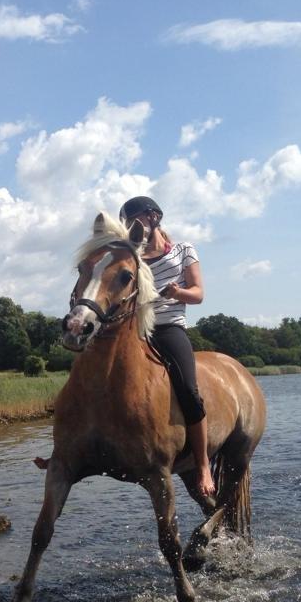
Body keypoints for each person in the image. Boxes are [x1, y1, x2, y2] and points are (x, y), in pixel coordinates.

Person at [119, 195, 214, 499]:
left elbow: (198, 294)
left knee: (187, 388)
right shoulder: (131, 256)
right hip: (136, 330)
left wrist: (178, 291)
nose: (132, 227)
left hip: (169, 327)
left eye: (135, 220)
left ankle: (202, 465)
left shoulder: (184, 250)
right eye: (127, 223)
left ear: (153, 217)